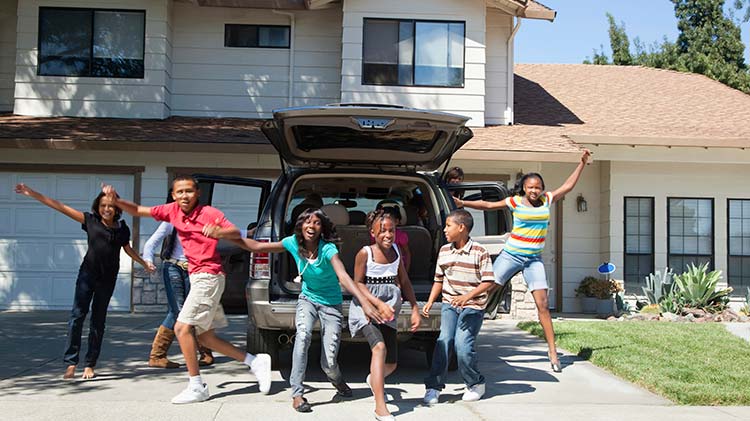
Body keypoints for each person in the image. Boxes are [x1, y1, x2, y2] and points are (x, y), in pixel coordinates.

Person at [101, 176, 272, 404]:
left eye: (189, 191)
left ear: (197, 193)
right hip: (197, 276)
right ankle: (254, 361)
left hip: (208, 276)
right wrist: (117, 200)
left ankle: (196, 385)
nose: (184, 195)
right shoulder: (171, 211)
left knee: (182, 328)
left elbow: (233, 232)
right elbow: (138, 210)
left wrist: (219, 232)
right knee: (206, 337)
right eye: (179, 192)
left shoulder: (209, 213)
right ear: (173, 195)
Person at [207, 207, 393, 414]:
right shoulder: (292, 243)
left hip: (331, 303)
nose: (311, 226)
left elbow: (343, 276)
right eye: (307, 222)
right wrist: (225, 235)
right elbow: (257, 245)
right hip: (307, 299)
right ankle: (297, 393)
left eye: (316, 223)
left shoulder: (328, 249)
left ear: (322, 228)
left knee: (329, 362)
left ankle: (337, 381)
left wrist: (365, 303)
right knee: (302, 337)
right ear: (300, 226)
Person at [455, 149, 591, 372]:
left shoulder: (548, 200)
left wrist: (582, 164)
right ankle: (464, 333)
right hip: (511, 255)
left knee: (543, 305)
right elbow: (489, 206)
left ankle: (553, 351)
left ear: (542, 189)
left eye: (538, 187)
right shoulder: (515, 202)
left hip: (533, 260)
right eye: (530, 187)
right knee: (485, 291)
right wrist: (463, 204)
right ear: (524, 188)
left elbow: (567, 186)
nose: (534, 190)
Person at [14, 183, 153, 380]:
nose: (107, 209)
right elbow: (60, 207)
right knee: (77, 317)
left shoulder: (122, 228)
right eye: (103, 205)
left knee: (98, 321)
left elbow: (127, 249)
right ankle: (71, 363)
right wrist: (33, 193)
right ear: (97, 207)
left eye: (111, 205)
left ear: (117, 209)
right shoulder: (90, 221)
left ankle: (90, 364)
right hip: (87, 275)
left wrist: (144, 263)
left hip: (108, 279)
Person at [351, 209, 421, 421]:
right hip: (368, 309)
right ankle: (380, 406)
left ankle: (375, 379)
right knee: (379, 348)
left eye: (391, 230)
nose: (388, 235)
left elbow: (405, 281)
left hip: (389, 310)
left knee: (391, 364)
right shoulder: (365, 253)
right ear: (372, 232)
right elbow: (357, 283)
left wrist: (415, 308)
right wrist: (377, 304)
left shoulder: (397, 251)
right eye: (382, 231)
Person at [421, 209, 495, 404]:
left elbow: (488, 281)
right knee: (443, 341)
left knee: (462, 346)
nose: (444, 229)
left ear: (461, 227)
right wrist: (430, 301)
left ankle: (475, 383)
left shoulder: (480, 252)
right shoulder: (444, 251)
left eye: (448, 225)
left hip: (473, 307)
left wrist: (467, 297)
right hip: (449, 305)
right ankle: (433, 387)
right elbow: (439, 280)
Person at [142, 221, 213, 368]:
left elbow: (222, 234)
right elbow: (151, 243)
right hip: (173, 267)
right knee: (178, 311)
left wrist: (245, 234)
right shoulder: (170, 221)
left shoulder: (202, 218)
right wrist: (148, 260)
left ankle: (205, 353)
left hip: (195, 268)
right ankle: (158, 355)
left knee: (195, 309)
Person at [372, 204, 411, 273]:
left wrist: (406, 272)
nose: (388, 235)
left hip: (397, 269)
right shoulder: (376, 235)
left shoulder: (401, 235)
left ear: (397, 221)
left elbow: (407, 253)